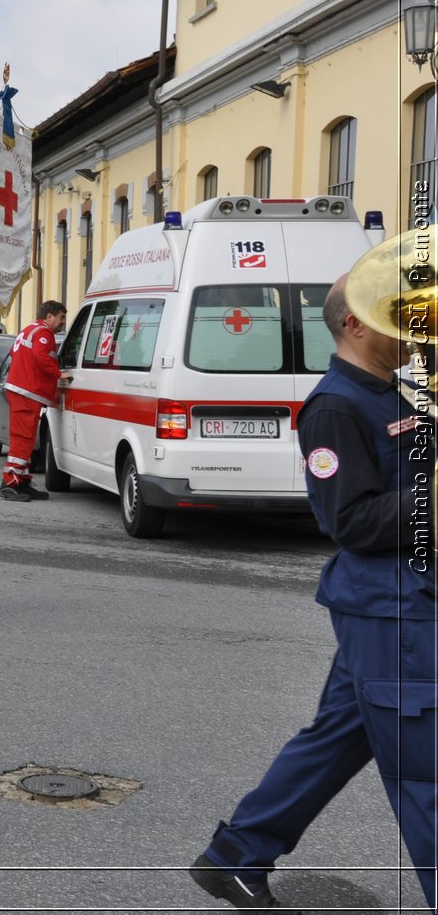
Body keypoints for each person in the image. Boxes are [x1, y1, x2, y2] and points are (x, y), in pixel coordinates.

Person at [189, 277, 436, 914]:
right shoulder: (335, 406)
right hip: (391, 605)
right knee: (424, 767)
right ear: (355, 325)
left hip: (398, 602)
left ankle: (236, 855)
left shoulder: (393, 391)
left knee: (338, 736)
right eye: (396, 316)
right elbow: (348, 521)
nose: (412, 326)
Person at [0, 300, 67, 502]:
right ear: (49, 317)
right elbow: (40, 355)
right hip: (26, 392)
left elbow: (15, 354)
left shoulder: (29, 330)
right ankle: (10, 483)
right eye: (61, 317)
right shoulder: (44, 333)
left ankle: (22, 481)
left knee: (26, 438)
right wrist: (58, 374)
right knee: (22, 438)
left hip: (23, 391)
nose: (63, 322)